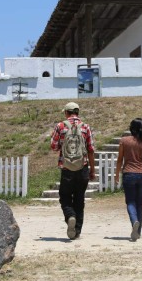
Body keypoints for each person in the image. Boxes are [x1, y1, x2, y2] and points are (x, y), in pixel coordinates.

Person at [50, 101, 96, 240]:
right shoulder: (86, 127)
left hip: (67, 168)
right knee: (79, 199)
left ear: (66, 112)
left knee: (64, 196)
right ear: (78, 112)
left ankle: (70, 216)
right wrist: (92, 170)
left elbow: (53, 146)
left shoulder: (61, 126)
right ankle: (77, 231)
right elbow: (91, 149)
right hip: (82, 168)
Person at [114, 117, 142, 241]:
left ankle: (134, 221)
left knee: (130, 202)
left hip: (128, 174)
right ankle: (139, 231)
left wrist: (116, 174)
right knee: (139, 203)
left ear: (131, 128)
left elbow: (120, 159)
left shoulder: (124, 141)